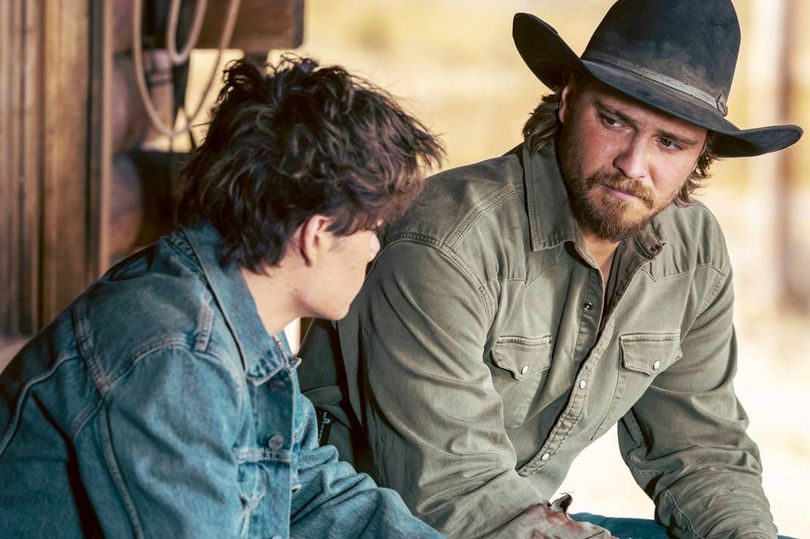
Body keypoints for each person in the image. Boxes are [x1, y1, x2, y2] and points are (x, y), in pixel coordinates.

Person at [297, 1, 802, 538]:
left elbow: (703, 452)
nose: (633, 165)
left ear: (701, 154)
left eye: (670, 143)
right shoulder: (445, 246)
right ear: (567, 101)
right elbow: (453, 492)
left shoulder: (692, 251)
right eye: (614, 120)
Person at [0, 55, 445, 538]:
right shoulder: (173, 355)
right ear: (316, 235)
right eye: (372, 228)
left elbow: (315, 494)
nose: (374, 248)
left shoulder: (242, 319)